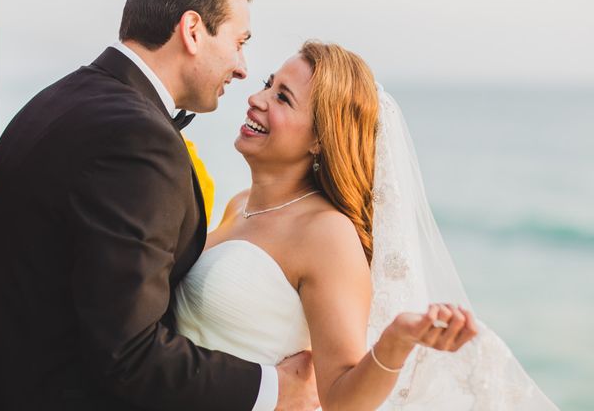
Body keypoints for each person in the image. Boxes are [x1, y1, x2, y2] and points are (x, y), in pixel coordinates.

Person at [0, 0, 318, 411]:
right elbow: (127, 355)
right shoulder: (139, 140)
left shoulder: (58, 100)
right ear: (193, 31)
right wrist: (275, 389)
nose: (242, 68)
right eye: (239, 42)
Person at [173, 41, 559, 410]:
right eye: (268, 85)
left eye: (283, 98)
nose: (256, 99)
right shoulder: (238, 204)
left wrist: (395, 341)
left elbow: (340, 399)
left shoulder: (326, 233)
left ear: (320, 139)